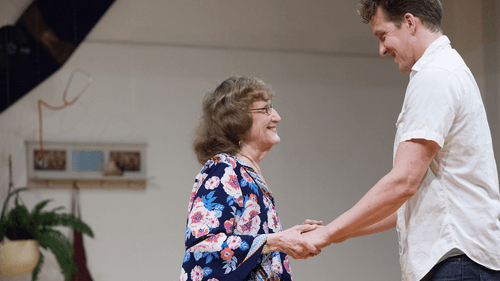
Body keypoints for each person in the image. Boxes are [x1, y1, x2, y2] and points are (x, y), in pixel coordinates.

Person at [302, 1, 500, 280]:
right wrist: (335, 232)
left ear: (409, 22)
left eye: (383, 35)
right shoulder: (447, 70)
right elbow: (409, 203)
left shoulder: (435, 77)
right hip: (459, 262)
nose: (381, 50)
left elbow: (403, 182)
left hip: (457, 264)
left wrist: (328, 233)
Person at [179, 76, 320, 281]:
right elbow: (203, 246)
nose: (277, 117)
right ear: (237, 121)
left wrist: (290, 237)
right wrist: (277, 241)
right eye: (266, 109)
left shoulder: (244, 173)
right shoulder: (225, 170)